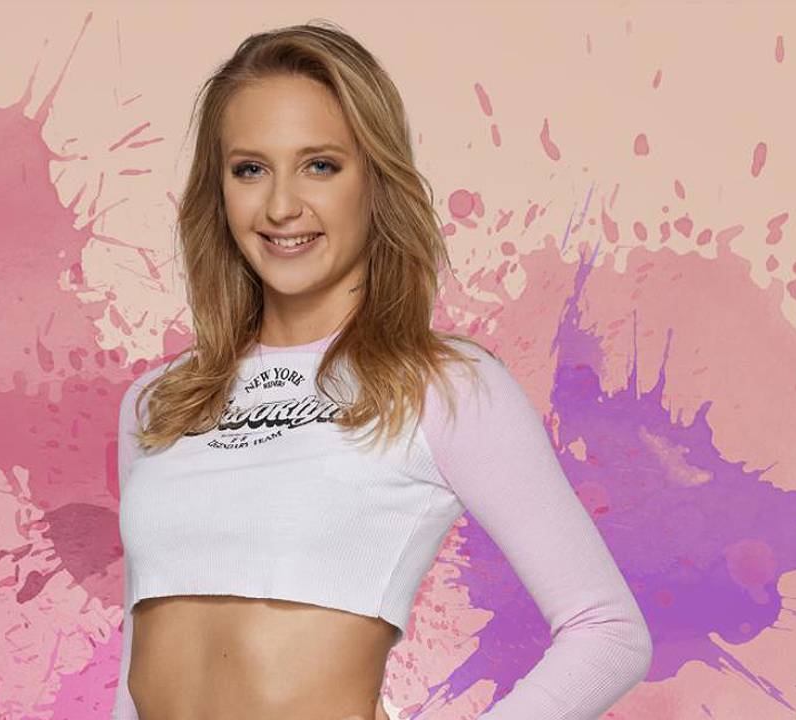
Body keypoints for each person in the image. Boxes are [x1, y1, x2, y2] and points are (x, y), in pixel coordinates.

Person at [112, 20, 652, 720]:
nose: (281, 206)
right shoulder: (161, 403)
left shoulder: (442, 388)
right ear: (218, 191)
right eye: (250, 169)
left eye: (320, 165)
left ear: (375, 179)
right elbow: (137, 665)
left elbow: (608, 634)